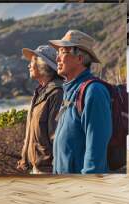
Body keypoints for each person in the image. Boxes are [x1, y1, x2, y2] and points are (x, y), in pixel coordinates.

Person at [49, 30, 112, 174]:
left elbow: (95, 158)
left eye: (63, 52)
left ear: (79, 58)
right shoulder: (70, 91)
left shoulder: (94, 92)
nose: (57, 58)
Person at [17, 45, 63, 174]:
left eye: (32, 62)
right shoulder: (40, 92)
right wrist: (25, 160)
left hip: (48, 170)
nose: (28, 66)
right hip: (37, 168)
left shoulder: (57, 93)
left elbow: (56, 137)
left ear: (43, 65)